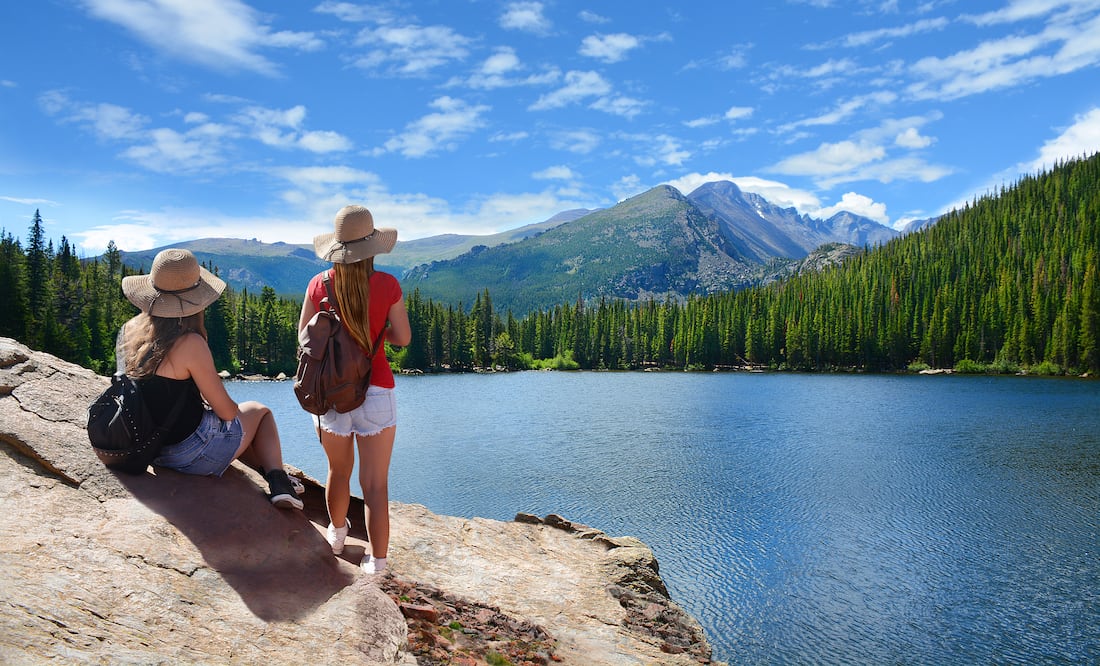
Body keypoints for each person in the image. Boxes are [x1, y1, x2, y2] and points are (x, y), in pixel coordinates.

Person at [118, 248, 303, 510]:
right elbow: (227, 413)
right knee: (259, 412)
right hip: (188, 456)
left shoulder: (131, 332)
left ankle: (276, 477)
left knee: (239, 427)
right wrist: (231, 411)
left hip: (150, 449)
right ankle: (279, 483)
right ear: (196, 301)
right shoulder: (190, 342)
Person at [299, 205, 411, 574]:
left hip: (331, 391)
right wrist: (377, 335)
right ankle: (377, 561)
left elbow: (304, 339)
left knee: (338, 471)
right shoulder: (388, 285)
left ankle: (337, 535)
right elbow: (403, 339)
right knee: (376, 484)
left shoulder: (318, 284)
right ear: (373, 247)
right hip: (376, 388)